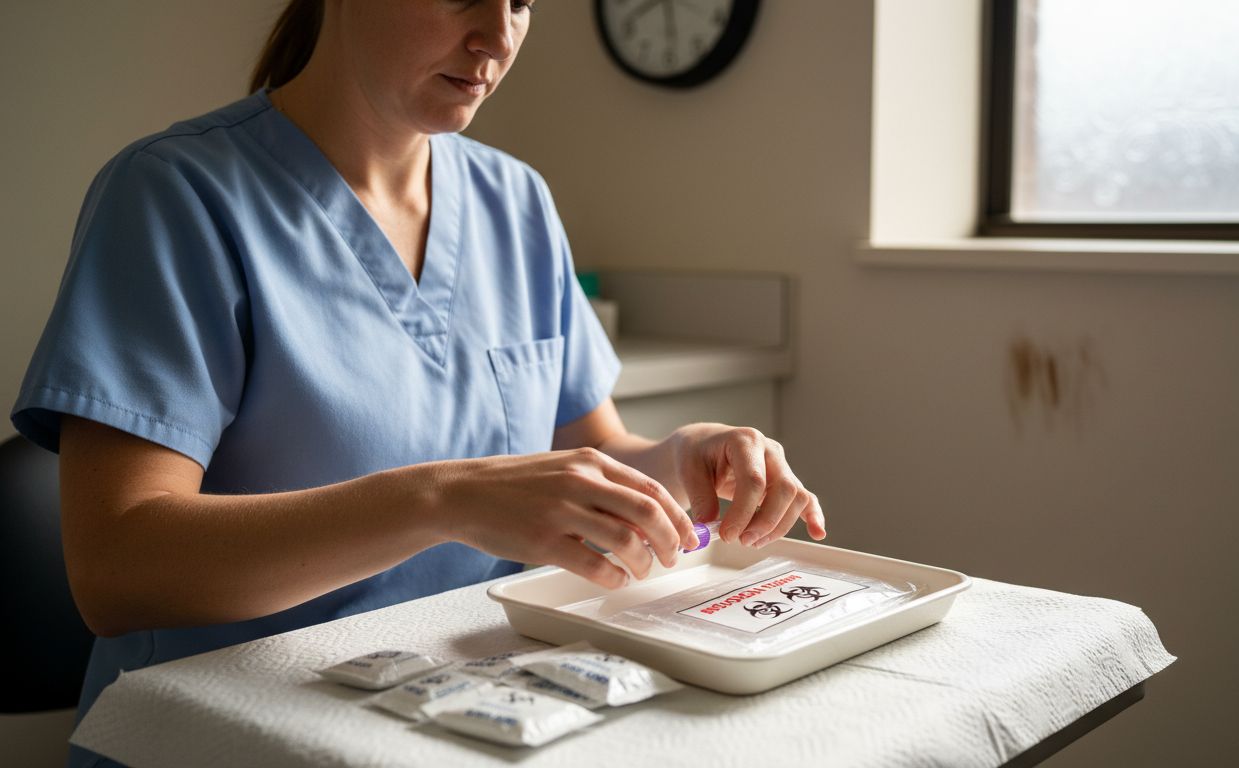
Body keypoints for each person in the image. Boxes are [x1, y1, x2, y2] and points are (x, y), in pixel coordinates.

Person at [11, 1, 824, 764]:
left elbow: (591, 453)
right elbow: (116, 570)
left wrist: (681, 460)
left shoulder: (517, 202)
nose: (498, 39)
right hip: (231, 731)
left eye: (522, 2)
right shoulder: (176, 197)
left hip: (470, 712)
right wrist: (442, 499)